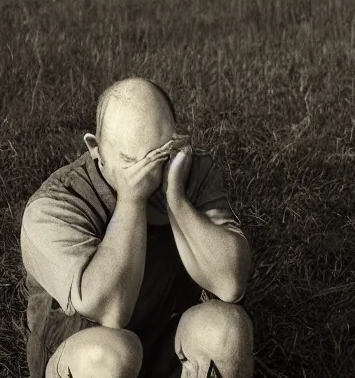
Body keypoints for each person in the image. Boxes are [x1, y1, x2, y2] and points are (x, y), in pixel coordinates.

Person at [21, 77, 253, 378]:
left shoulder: (187, 172)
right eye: (134, 164)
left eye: (162, 156)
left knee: (227, 333)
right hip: (85, 353)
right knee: (114, 356)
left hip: (164, 342)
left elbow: (230, 282)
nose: (151, 177)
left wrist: (176, 200)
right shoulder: (53, 205)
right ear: (96, 150)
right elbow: (110, 310)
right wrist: (132, 200)